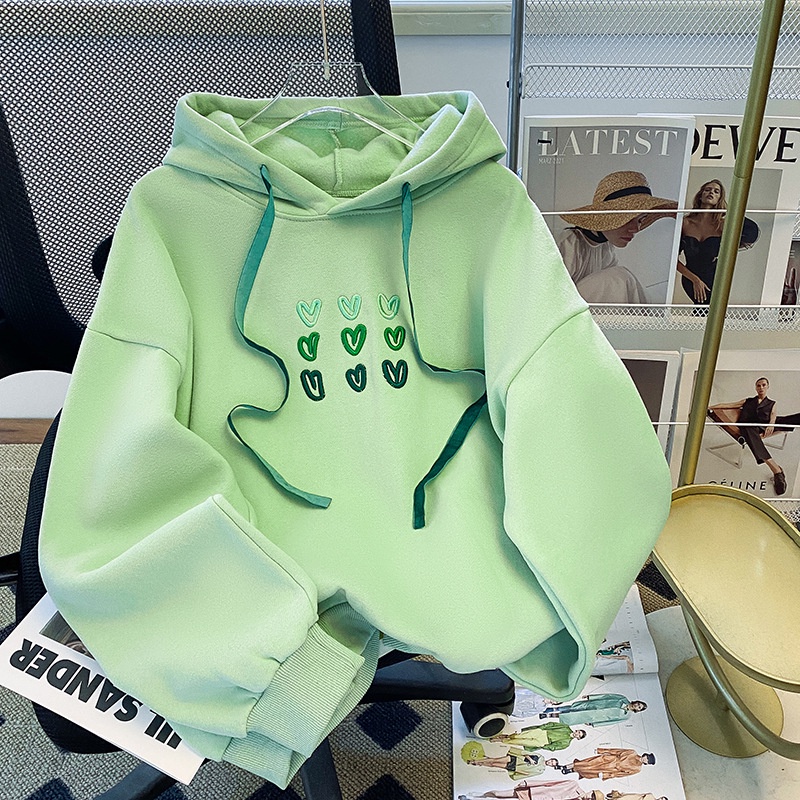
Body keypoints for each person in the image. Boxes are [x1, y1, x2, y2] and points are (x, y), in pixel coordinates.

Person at [557, 171, 678, 303]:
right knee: (620, 278)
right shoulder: (568, 244)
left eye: (640, 220)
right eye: (628, 219)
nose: (636, 229)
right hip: (564, 309)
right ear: (607, 218)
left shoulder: (606, 248)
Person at [677, 179, 759, 304]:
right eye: (707, 190)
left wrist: (729, 211)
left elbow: (752, 232)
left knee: (711, 310)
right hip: (690, 278)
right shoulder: (685, 223)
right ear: (700, 195)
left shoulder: (722, 225)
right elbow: (672, 259)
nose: (711, 192)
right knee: (702, 308)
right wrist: (695, 280)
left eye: (716, 192)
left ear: (719, 199)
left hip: (715, 277)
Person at [708, 376, 787, 495]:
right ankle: (776, 470)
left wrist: (771, 425)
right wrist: (709, 408)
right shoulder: (748, 401)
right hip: (748, 427)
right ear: (756, 388)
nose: (761, 388)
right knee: (750, 430)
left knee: (791, 419)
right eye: (758, 385)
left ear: (768, 387)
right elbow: (729, 405)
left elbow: (773, 415)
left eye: (763, 385)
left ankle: (777, 470)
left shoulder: (772, 403)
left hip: (763, 426)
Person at [539, 693, 647, 727]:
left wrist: (594, 724)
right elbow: (606, 696)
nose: (637, 706)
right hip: (594, 704)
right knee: (572, 707)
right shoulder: (622, 698)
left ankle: (547, 716)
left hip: (594, 716)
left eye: (639, 707)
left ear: (638, 710)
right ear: (636, 702)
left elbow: (610, 722)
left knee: (571, 716)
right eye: (638, 704)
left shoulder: (626, 716)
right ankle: (551, 709)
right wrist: (591, 697)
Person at [546, 749, 656, 780]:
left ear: (647, 763)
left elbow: (620, 774)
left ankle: (571, 771)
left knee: (589, 772)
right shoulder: (632, 752)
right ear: (645, 755)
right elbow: (616, 751)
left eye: (647, 761)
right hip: (607, 759)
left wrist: (606, 775)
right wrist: (601, 751)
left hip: (610, 769)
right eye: (647, 757)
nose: (645, 759)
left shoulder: (637, 769)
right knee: (586, 763)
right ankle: (564, 766)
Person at [458, 779, 603, 800]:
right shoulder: (572, 784)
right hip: (532, 794)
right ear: (591, 791)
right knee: (498, 794)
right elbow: (549, 783)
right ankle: (479, 796)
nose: (589, 798)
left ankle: (470, 799)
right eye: (592, 795)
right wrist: (528, 783)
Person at [490, 722, 587, 752]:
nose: (577, 734)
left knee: (520, 742)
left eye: (579, 736)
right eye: (579, 732)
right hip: (542, 733)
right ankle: (503, 736)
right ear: (577, 730)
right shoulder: (565, 727)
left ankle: (499, 741)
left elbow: (553, 748)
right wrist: (541, 728)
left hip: (543, 742)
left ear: (578, 738)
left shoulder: (566, 744)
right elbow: (552, 724)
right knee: (520, 735)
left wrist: (543, 746)